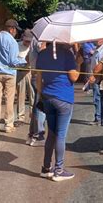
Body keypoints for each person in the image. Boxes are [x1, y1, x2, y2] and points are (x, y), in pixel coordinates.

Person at [36, 42, 82, 182]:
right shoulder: (67, 54)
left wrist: (41, 94)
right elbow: (74, 77)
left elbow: (39, 78)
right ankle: (59, 170)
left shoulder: (42, 54)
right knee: (61, 135)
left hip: (47, 96)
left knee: (52, 133)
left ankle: (46, 168)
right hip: (64, 97)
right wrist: (78, 63)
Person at [0, 19, 27, 133]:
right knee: (9, 99)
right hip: (9, 73)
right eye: (15, 30)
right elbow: (12, 61)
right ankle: (8, 125)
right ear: (12, 29)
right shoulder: (12, 41)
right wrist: (24, 61)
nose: (16, 33)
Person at [26, 39, 47, 147]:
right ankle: (38, 135)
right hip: (40, 75)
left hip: (36, 73)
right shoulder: (41, 39)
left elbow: (27, 57)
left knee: (36, 105)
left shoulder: (34, 40)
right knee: (41, 105)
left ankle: (32, 134)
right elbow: (42, 50)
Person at [15, 30, 35, 124]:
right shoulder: (16, 45)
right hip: (20, 71)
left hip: (31, 72)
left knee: (32, 95)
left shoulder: (33, 46)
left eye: (29, 41)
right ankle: (20, 117)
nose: (27, 43)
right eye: (26, 41)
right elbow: (14, 59)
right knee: (20, 95)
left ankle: (33, 116)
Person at [90, 39, 103, 125]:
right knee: (97, 98)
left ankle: (99, 117)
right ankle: (99, 117)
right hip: (95, 77)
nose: (97, 40)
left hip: (99, 78)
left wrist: (96, 76)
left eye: (99, 38)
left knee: (98, 98)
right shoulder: (97, 50)